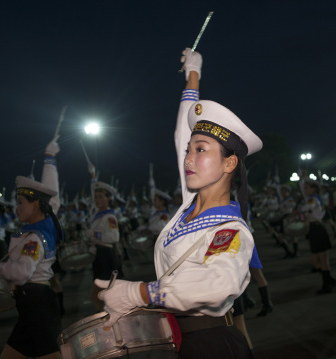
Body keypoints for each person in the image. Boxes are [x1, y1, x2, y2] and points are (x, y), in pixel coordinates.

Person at [95, 48, 261, 358]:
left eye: (201, 150)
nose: (188, 157)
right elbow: (183, 130)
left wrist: (137, 292)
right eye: (189, 150)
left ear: (229, 164)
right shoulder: (189, 205)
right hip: (183, 342)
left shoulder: (230, 230)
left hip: (213, 346)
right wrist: (193, 74)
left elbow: (217, 283)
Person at [0, 136, 63, 358]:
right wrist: (49, 159)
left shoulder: (35, 237)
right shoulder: (36, 228)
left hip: (38, 305)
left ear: (35, 204)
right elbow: (52, 195)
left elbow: (22, 273)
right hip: (31, 305)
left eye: (21, 202)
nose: (16, 208)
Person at [87, 164, 124, 312]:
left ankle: (104, 315)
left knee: (100, 291)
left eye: (101, 197)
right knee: (103, 291)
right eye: (96, 197)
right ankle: (107, 314)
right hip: (99, 255)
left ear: (108, 198)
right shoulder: (97, 214)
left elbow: (114, 237)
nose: (97, 200)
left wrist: (93, 235)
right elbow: (92, 191)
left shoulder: (109, 216)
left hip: (106, 255)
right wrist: (92, 176)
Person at [298, 178, 336, 294]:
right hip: (313, 230)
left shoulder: (314, 200)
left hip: (318, 229)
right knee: (315, 260)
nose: (305, 190)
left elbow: (305, 208)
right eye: (304, 188)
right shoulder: (311, 199)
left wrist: (299, 210)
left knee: (323, 259)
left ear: (314, 189)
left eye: (307, 188)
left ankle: (327, 285)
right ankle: (329, 279)